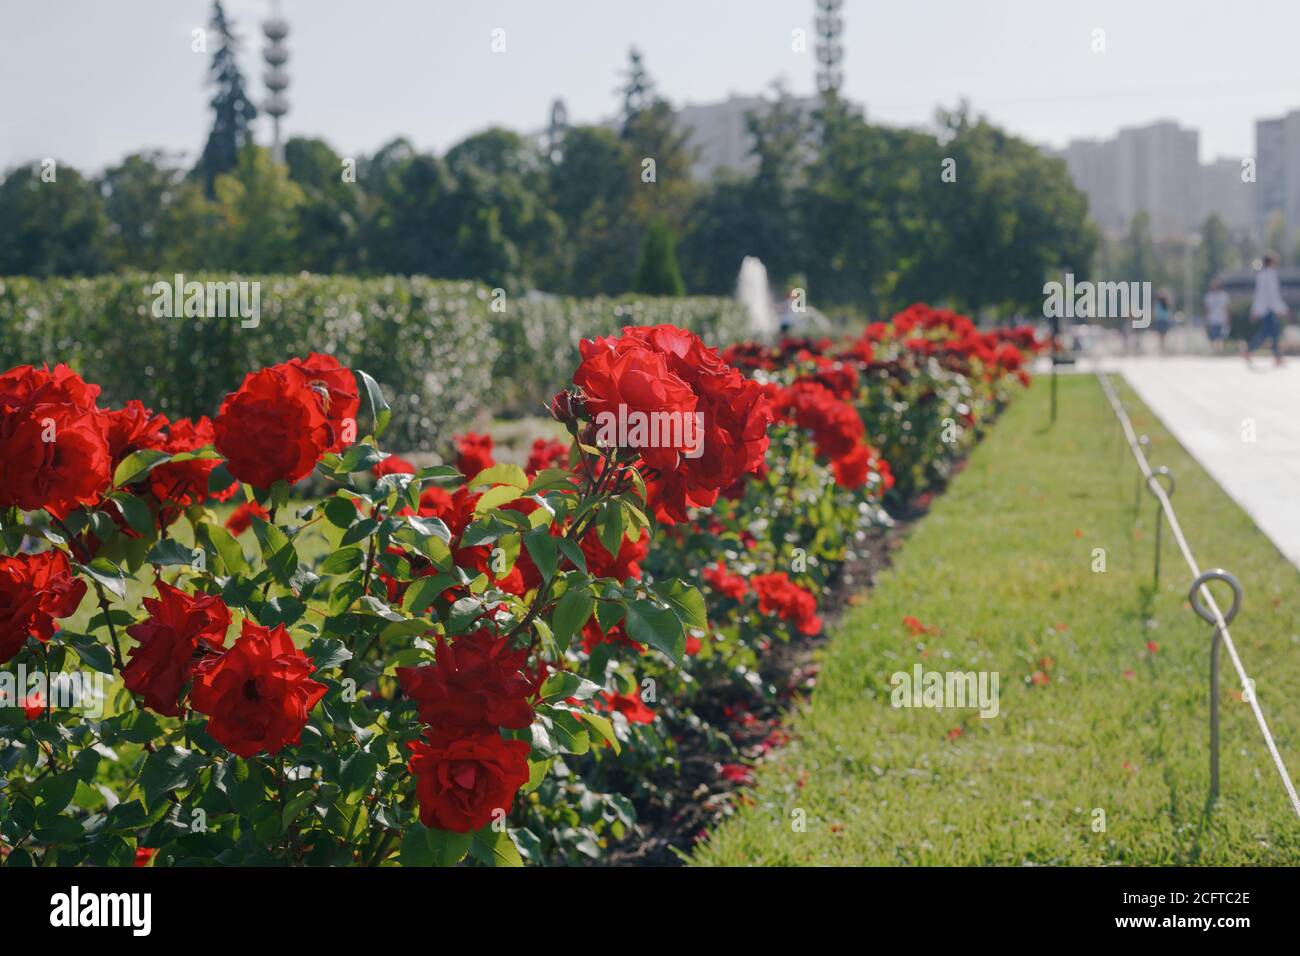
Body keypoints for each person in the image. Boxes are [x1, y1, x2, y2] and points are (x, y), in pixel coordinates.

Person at [1243, 251, 1288, 366]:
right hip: (1269, 309)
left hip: (1265, 309)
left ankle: (1275, 356)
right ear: (1271, 262)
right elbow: (1272, 295)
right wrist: (1282, 309)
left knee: (1270, 333)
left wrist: (1255, 310)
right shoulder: (1270, 275)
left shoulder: (1262, 275)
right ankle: (1249, 351)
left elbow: (1259, 295)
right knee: (1269, 333)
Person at [1203, 278, 1230, 352]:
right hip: (1212, 319)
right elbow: (1207, 310)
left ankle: (1219, 350)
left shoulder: (1224, 295)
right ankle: (1214, 350)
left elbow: (1226, 308)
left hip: (1221, 319)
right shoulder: (1209, 296)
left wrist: (1227, 319)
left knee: (1221, 336)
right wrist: (1206, 320)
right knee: (1212, 336)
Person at [1152, 290, 1173, 354]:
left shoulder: (1159, 303)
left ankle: (1162, 349)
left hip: (1161, 320)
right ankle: (1162, 349)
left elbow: (1155, 312)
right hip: (1163, 320)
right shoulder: (1164, 303)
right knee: (1163, 336)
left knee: (1161, 336)